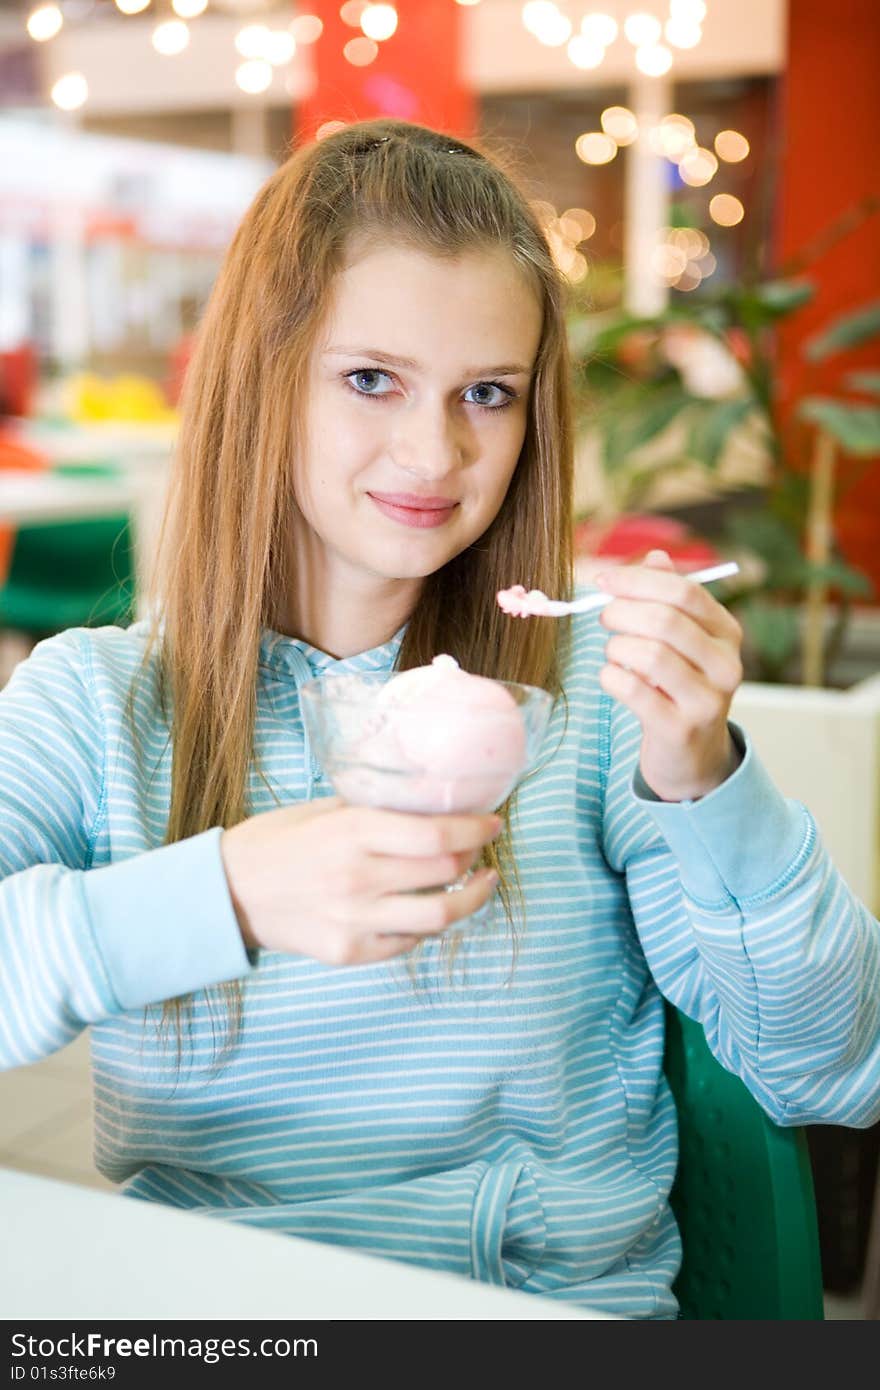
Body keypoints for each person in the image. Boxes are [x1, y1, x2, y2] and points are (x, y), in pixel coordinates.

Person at [1, 119, 878, 1321]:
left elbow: (832, 1064)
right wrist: (227, 893)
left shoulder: (595, 704)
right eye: (372, 379)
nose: (435, 449)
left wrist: (710, 783)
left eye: (487, 394)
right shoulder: (95, 701)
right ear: (264, 374)